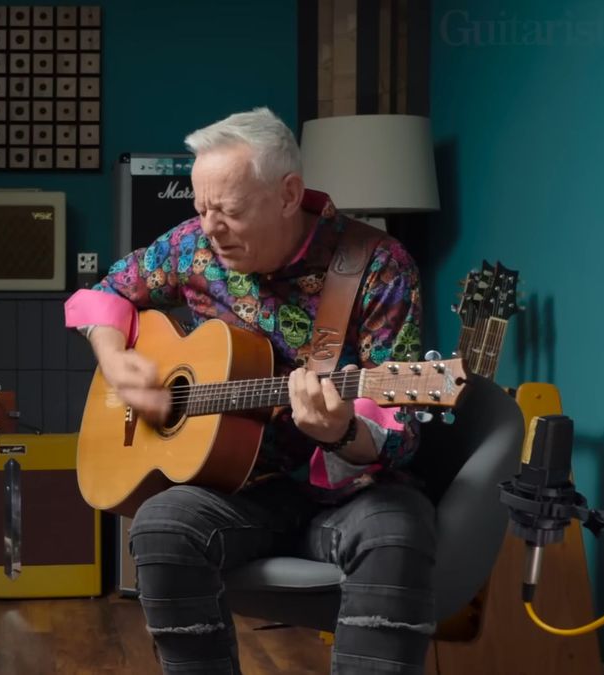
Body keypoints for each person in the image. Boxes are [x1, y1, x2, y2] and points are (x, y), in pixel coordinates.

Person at [65, 107, 435, 674]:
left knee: (397, 529)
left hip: (353, 491)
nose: (210, 226)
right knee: (161, 524)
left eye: (229, 211)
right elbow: (106, 294)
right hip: (238, 489)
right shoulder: (193, 248)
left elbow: (401, 428)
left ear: (289, 193)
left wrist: (342, 431)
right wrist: (116, 362)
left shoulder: (378, 265)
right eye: (201, 207)